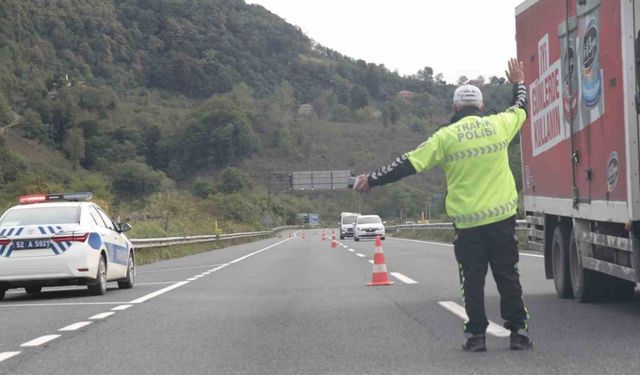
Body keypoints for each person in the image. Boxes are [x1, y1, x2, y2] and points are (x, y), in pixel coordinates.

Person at [353, 58, 531, 352]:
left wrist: (372, 179)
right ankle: (519, 333)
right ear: (482, 107)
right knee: (508, 275)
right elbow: (521, 108)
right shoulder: (499, 125)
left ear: (455, 109)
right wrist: (518, 81)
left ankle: (476, 337)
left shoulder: (445, 137)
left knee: (472, 281)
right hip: (502, 219)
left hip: (468, 223)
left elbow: (407, 163)